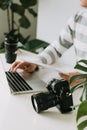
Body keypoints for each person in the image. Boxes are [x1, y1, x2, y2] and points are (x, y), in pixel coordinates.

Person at [10, 0, 87, 82]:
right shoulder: (78, 18)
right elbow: (56, 48)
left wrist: (84, 79)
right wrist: (35, 62)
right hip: (78, 88)